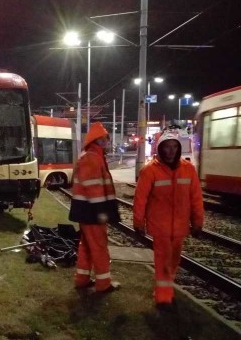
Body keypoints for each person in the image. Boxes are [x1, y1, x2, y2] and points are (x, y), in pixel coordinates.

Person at [133, 128, 204, 311]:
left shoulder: (189, 170)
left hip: (180, 227)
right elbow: (140, 199)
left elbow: (196, 198)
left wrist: (198, 222)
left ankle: (165, 289)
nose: (171, 150)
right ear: (160, 148)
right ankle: (164, 297)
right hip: (160, 227)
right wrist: (138, 222)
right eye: (167, 147)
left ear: (179, 148)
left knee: (173, 260)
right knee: (163, 261)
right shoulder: (150, 171)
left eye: (174, 146)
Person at [69, 122, 121, 293]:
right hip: (92, 212)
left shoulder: (91, 156)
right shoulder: (92, 157)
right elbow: (94, 188)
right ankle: (103, 284)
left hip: (85, 211)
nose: (107, 141)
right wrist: (102, 212)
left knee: (87, 246)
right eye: (106, 138)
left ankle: (82, 279)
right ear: (98, 140)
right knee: (99, 247)